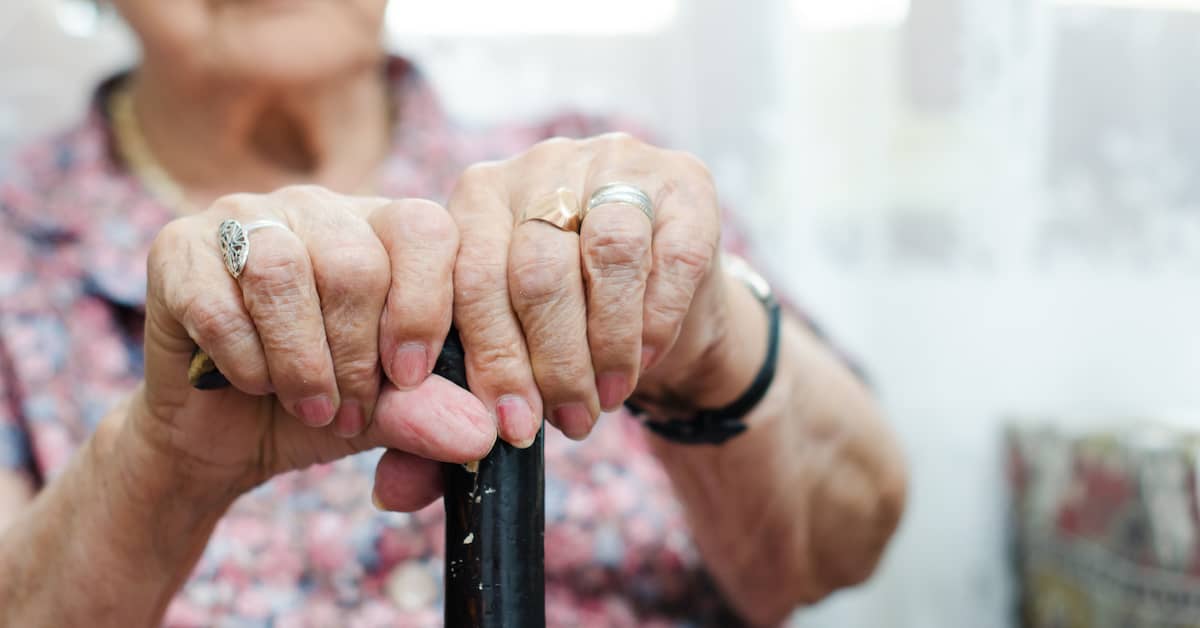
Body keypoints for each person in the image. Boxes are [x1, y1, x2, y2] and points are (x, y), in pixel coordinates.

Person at [0, 2, 907, 626]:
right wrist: (157, 467)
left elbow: (841, 545)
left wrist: (708, 342)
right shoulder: (16, 250)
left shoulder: (608, 185)